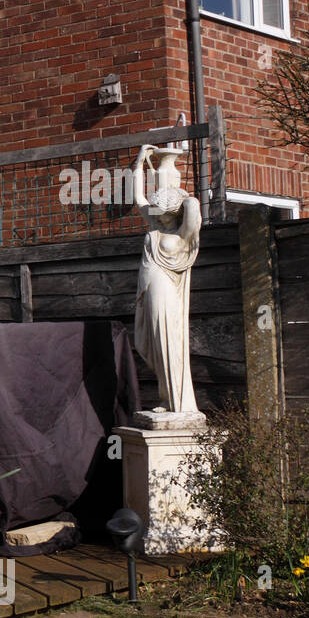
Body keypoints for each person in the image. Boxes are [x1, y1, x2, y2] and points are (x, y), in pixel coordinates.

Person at [131, 144, 201, 415]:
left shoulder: (184, 235)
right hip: (147, 290)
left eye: (161, 209)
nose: (154, 212)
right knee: (149, 344)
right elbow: (138, 197)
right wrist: (139, 164)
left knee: (166, 342)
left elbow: (193, 212)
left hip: (165, 291)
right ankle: (165, 398)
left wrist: (184, 198)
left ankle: (179, 404)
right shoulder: (156, 225)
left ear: (172, 211)